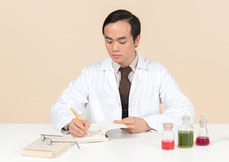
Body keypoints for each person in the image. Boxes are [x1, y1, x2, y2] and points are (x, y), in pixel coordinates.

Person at [50, 9, 194, 137]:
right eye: (109, 41)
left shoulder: (157, 72)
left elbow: (184, 109)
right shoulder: (91, 73)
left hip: (146, 149)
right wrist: (70, 123)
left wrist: (147, 123)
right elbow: (61, 107)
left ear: (137, 39)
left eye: (122, 41)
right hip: (101, 151)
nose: (114, 48)